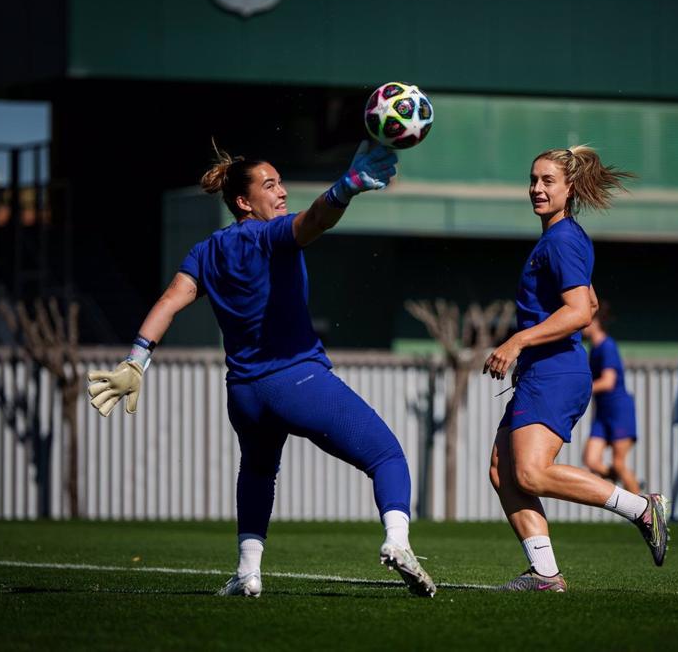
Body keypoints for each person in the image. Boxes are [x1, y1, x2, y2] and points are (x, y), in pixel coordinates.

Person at [85, 141, 436, 598]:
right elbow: (314, 221)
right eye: (270, 185)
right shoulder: (265, 235)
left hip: (246, 394)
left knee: (257, 472)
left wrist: (137, 360)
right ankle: (397, 541)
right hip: (296, 380)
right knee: (387, 457)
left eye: (281, 182)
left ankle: (247, 572)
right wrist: (347, 187)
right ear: (244, 202)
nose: (282, 191)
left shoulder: (206, 250)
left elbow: (169, 302)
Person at [483, 146, 668, 593]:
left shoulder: (562, 238)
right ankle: (545, 574)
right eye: (533, 180)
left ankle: (641, 507)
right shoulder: (563, 238)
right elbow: (591, 300)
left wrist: (518, 340)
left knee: (529, 473)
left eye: (548, 181)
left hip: (556, 371)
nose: (536, 189)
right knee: (502, 471)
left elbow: (581, 313)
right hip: (545, 370)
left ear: (569, 188)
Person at [581, 303, 640, 494]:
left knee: (618, 463)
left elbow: (608, 382)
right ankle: (625, 481)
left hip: (619, 411)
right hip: (602, 414)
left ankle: (646, 512)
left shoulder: (607, 346)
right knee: (591, 460)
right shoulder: (594, 349)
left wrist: (580, 390)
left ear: (596, 321)